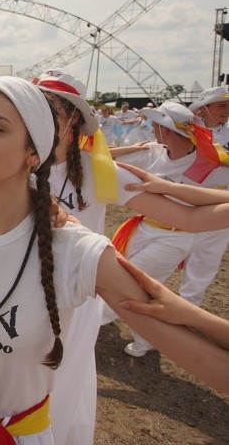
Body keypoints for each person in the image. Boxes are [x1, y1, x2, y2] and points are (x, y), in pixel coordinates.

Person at [0, 77, 229, 444]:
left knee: (57, 384)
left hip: (66, 294)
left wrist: (192, 315)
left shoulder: (83, 225)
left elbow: (192, 220)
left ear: (57, 129)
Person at [34, 69, 229, 444]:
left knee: (58, 387)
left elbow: (189, 217)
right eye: (32, 105)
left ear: (74, 117)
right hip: (13, 287)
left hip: (73, 297)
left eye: (52, 108)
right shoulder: (13, 160)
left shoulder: (100, 172)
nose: (38, 116)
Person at [103, 101, 229, 356]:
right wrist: (131, 147)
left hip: (177, 237)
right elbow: (102, 156)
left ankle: (85, 326)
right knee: (132, 283)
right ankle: (146, 337)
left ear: (166, 130)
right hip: (144, 227)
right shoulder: (151, 151)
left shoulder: (211, 164)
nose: (152, 128)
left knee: (128, 283)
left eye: (155, 125)